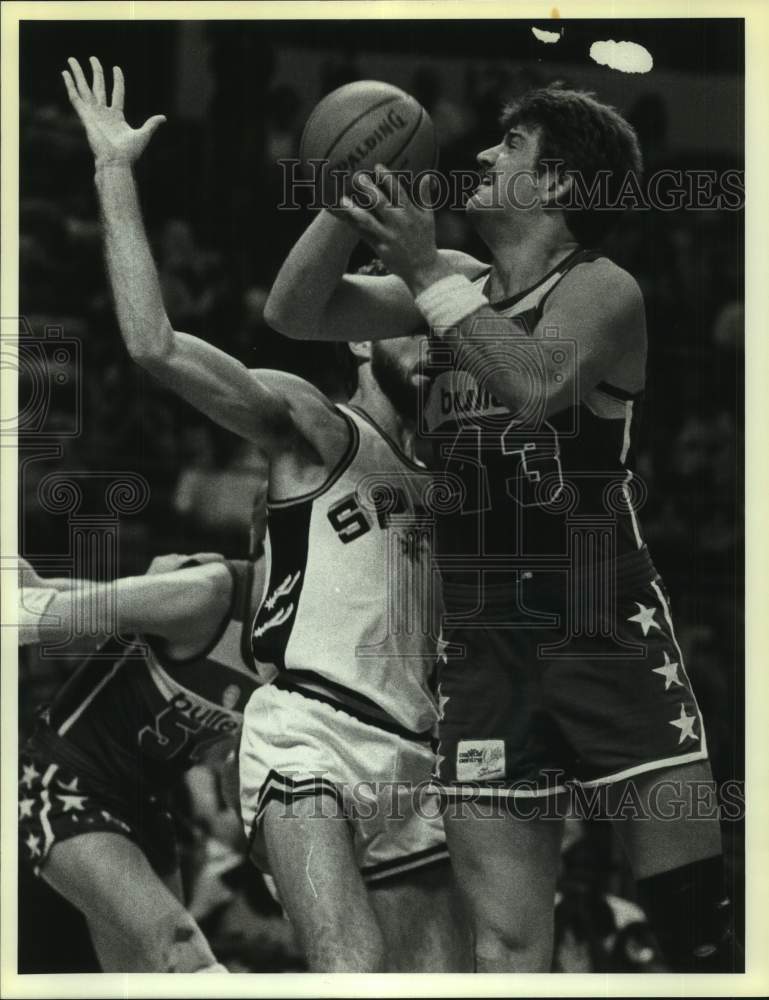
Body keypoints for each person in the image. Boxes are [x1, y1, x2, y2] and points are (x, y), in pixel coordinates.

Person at [264, 85, 740, 973]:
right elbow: (293, 313)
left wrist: (423, 270)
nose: (482, 155)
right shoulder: (451, 281)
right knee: (506, 944)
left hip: (602, 627)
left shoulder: (600, 288)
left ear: (555, 182)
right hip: (484, 646)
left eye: (510, 143)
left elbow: (536, 383)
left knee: (694, 930)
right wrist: (347, 191)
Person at [62, 57, 470, 973]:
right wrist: (114, 170)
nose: (430, 337)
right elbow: (155, 347)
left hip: (416, 755)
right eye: (410, 317)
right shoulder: (313, 426)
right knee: (350, 974)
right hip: (309, 735)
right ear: (358, 335)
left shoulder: (454, 472)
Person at [19, 550, 270, 972]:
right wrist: (33, 594)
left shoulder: (295, 652)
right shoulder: (207, 592)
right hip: (64, 782)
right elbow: (32, 610)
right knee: (187, 958)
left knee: (145, 983)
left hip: (146, 807)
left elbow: (233, 773)